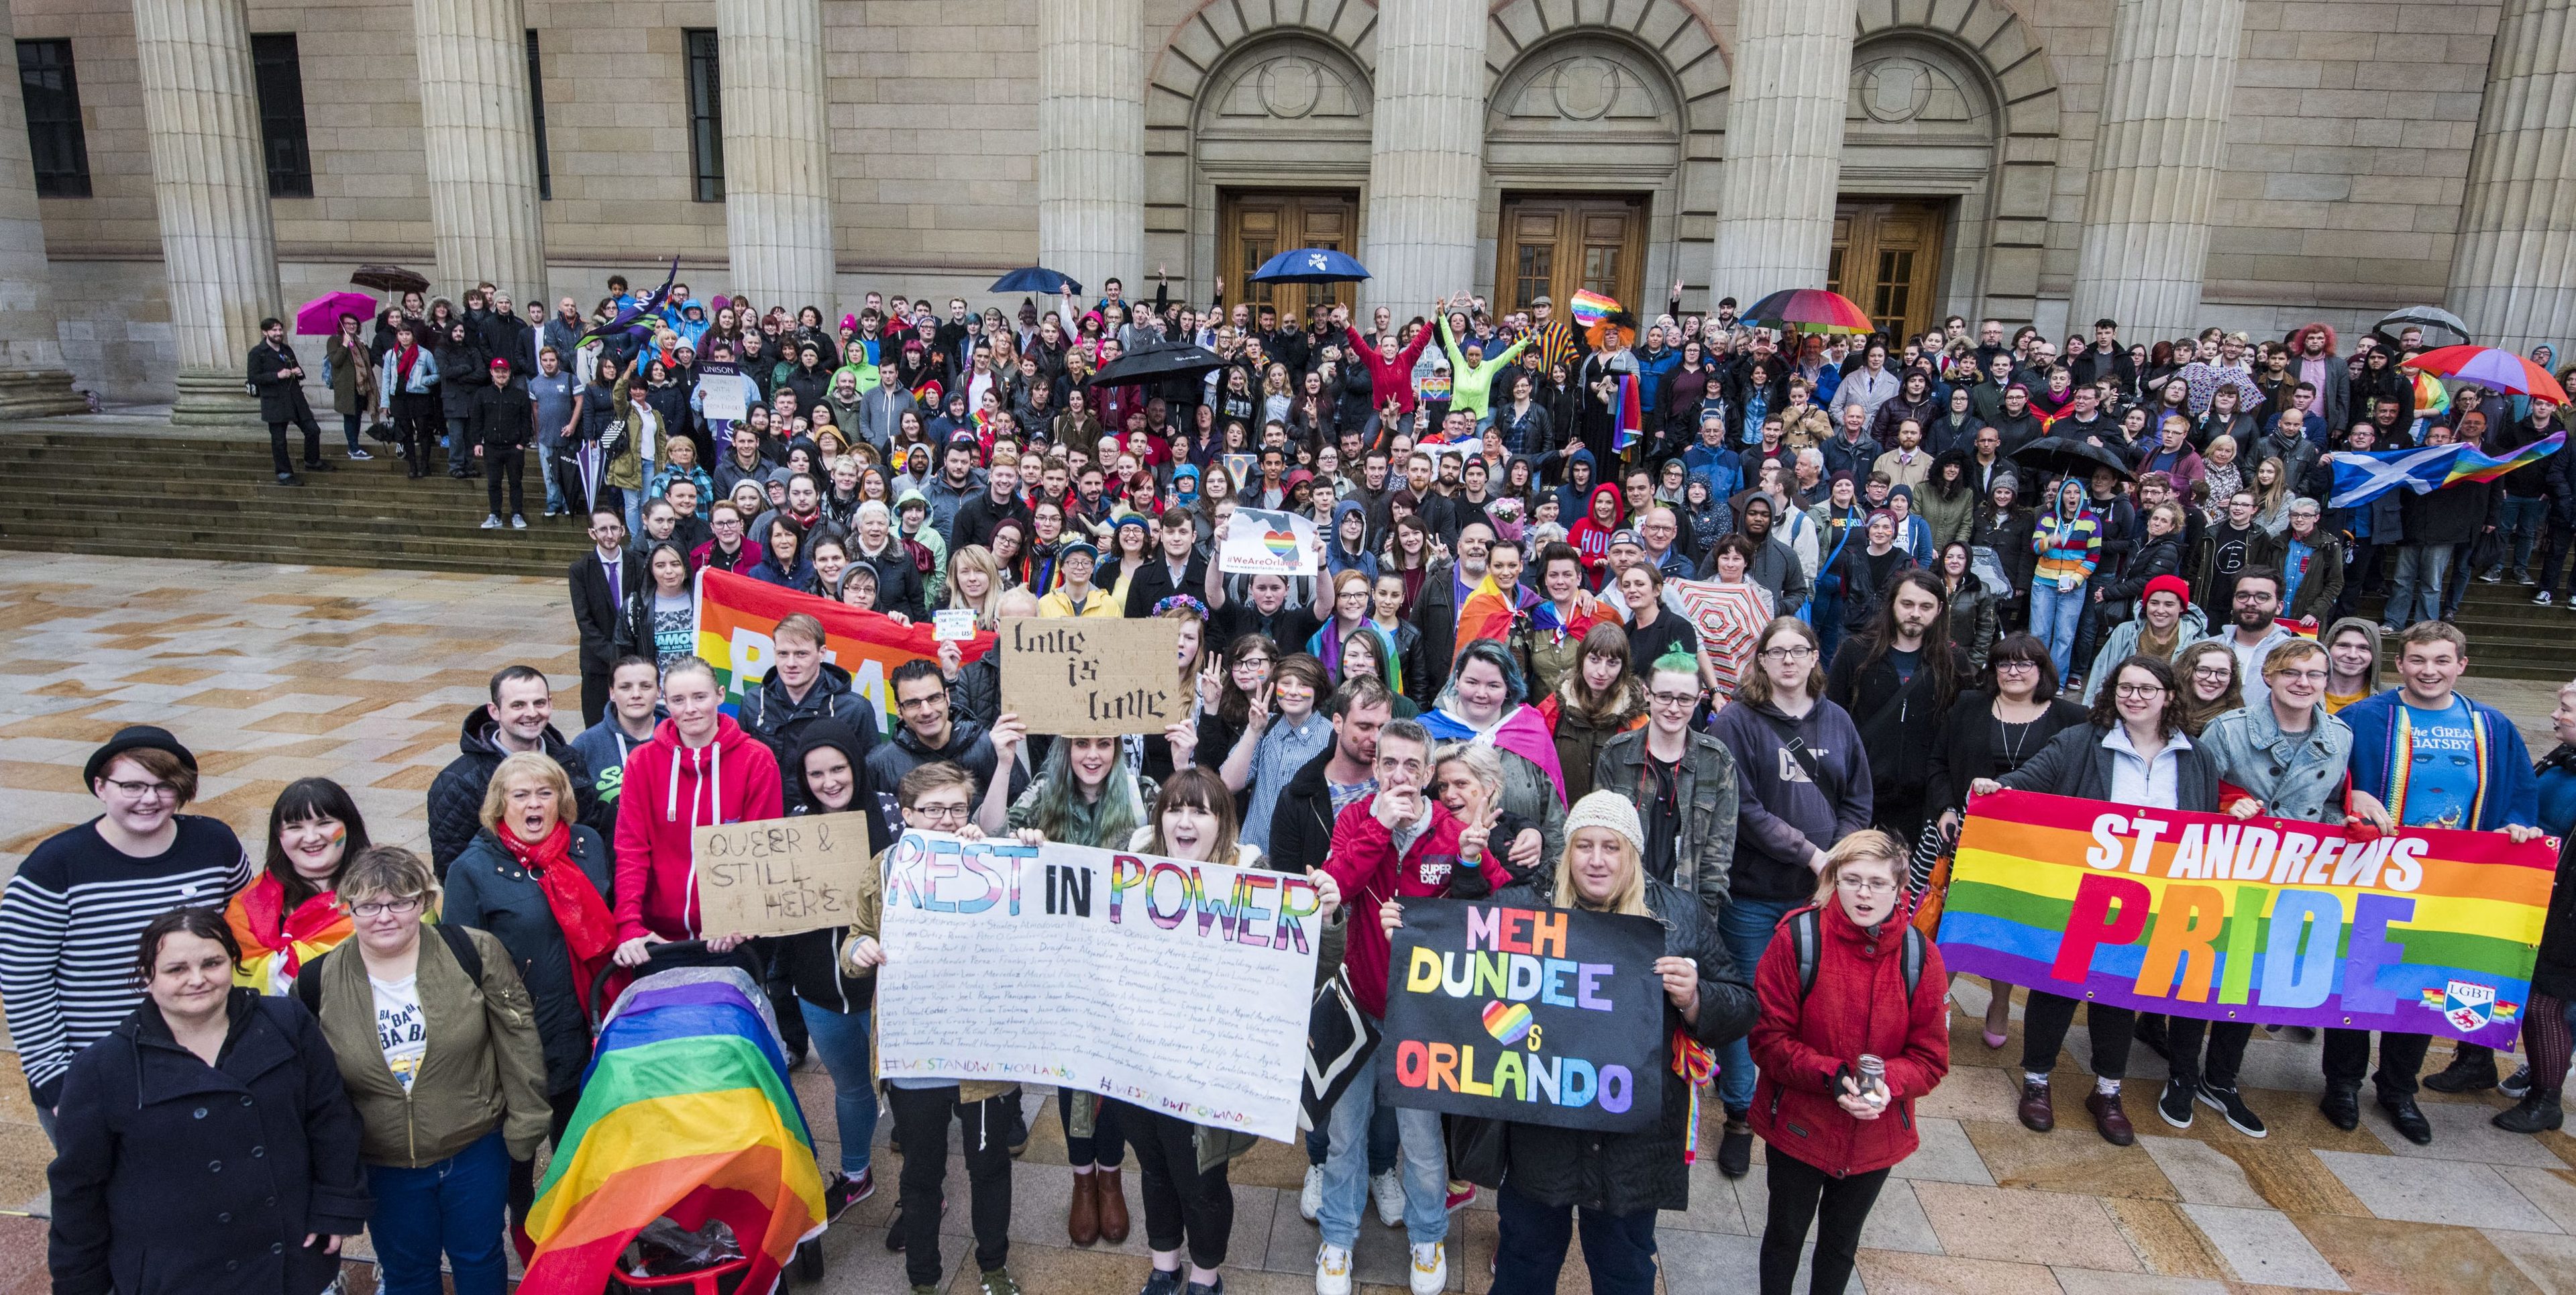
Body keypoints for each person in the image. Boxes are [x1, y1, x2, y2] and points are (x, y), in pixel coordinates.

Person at [1462, 790, 1755, 1295]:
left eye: (1612, 847)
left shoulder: (1679, 915)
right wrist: (1411, 934)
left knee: (1626, 1271)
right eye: (1584, 846)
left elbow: (1742, 1004)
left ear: (1632, 854)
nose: (1596, 860)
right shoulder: (1525, 906)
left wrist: (1695, 998)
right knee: (1525, 1262)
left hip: (1632, 1145)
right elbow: (1460, 958)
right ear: (1567, 850)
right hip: (1542, 1137)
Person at [46, 909, 370, 1295]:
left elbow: (330, 1117)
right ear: (147, 975)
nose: (197, 980)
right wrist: (79, 1285)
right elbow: (78, 1187)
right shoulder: (103, 1067)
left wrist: (336, 1204)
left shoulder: (286, 1022)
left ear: (233, 962)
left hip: (285, 1256)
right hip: (177, 1271)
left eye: (212, 963)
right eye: (176, 969)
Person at [1974, 654, 2222, 1145]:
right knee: (2057, 984)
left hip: (2154, 900)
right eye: (2125, 687)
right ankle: (2037, 1080)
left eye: (2147, 689)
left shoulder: (2195, 756)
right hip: (2084, 891)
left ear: (2169, 696)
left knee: (2119, 993)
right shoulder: (2081, 742)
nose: (2135, 697)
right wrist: (1996, 789)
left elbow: (2206, 821)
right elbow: (2031, 781)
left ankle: (2108, 1090)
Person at [1312, 717, 1513, 1295]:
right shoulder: (1356, 818)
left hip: (1426, 1020)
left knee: (1423, 1144)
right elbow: (1335, 887)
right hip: (1360, 1006)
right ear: (1374, 769)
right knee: (1345, 1136)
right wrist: (1377, 827)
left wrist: (1474, 862)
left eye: (1411, 766)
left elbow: (1502, 914)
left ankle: (1427, 1239)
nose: (1399, 775)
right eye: (1388, 764)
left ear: (1428, 775)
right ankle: (1338, 1239)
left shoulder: (1455, 834)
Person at [301, 845, 549, 1295]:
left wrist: (527, 1122)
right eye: (369, 906)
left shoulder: (473, 952)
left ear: (425, 901)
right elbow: (315, 1087)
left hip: (474, 1145)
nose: (385, 917)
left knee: (479, 1258)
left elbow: (518, 1039)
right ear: (348, 908)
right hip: (383, 1162)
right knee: (407, 1271)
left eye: (402, 902)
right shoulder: (318, 979)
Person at [2331, 621, 2542, 1141]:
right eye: (2418, 660)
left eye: (2442, 661)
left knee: (2422, 988)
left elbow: (2518, 794)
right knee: (2355, 982)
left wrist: (2516, 826)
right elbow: (2327, 777)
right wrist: (2349, 796)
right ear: (2400, 664)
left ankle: (2399, 1091)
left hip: (2453, 887)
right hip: (2373, 876)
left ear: (2461, 666)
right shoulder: (2365, 718)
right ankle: (2341, 1084)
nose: (2430, 671)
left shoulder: (2492, 727)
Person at [0, 726, 252, 1139]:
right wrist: (58, 1086)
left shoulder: (215, 844)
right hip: (100, 1077)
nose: (150, 799)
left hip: (205, 1066)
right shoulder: (54, 867)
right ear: (101, 787)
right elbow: (23, 982)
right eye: (132, 785)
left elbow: (248, 930)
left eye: (164, 786)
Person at [841, 762, 1024, 1294]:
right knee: (921, 1175)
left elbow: (1029, 926)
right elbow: (852, 943)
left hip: (980, 1053)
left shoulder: (992, 860)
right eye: (933, 810)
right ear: (906, 815)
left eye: (957, 809)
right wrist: (859, 949)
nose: (946, 821)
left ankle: (993, 1265)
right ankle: (924, 1279)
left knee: (989, 1167)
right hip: (915, 1050)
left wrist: (1008, 850)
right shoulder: (882, 869)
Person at [1705, 617, 1873, 1177]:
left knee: (1807, 1006)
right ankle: (1738, 1115)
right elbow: (1745, 809)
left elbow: (1857, 797)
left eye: (1799, 651)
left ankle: (1795, 1098)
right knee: (1748, 1004)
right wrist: (1810, 853)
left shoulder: (1839, 721)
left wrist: (1841, 857)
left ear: (1814, 657)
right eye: (1777, 652)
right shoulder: (1737, 721)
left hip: (1821, 896)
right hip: (1754, 892)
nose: (1788, 662)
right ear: (1761, 660)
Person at [1750, 831, 1951, 1295]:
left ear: (1900, 889)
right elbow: (1767, 1040)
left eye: (1878, 883)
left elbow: (1931, 1058)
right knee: (1784, 1237)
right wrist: (1835, 1077)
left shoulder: (1922, 957)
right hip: (1800, 1128)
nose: (1864, 893)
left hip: (1874, 1135)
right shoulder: (1796, 940)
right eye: (1853, 879)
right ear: (1833, 881)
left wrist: (1887, 1085)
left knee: (1841, 1245)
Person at [2173, 638, 2354, 1137]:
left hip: (2293, 878)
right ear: (2270, 676)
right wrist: (2224, 804)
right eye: (2292, 672)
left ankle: (2222, 1079)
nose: (2303, 683)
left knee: (2251, 981)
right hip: (2227, 869)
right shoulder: (2227, 729)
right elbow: (2190, 791)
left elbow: (2333, 802)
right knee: (2201, 973)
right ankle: (2182, 1073)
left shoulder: (2339, 736)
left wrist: (2354, 818)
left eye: (2315, 675)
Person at [438, 752, 617, 1247]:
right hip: (517, 1033)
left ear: (562, 799)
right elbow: (460, 964)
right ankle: (523, 1219)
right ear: (500, 805)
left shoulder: (587, 845)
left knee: (577, 1130)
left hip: (586, 1018)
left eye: (545, 793)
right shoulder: (471, 869)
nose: (534, 804)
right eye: (521, 795)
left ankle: (577, 1225)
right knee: (517, 1140)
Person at [1927, 633, 2090, 1049]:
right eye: (2004, 664)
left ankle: (2000, 1003)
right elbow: (1939, 761)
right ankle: (1937, 1003)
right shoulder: (1968, 706)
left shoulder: (2072, 718)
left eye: (2024, 664)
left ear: (2042, 670)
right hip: (1969, 836)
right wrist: (1946, 807)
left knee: (2008, 928)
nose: (2013, 672)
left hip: (2035, 849)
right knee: (1955, 921)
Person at [776, 720, 890, 1215]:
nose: (830, 782)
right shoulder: (789, 827)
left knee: (910, 1099)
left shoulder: (891, 814)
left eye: (838, 769)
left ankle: (923, 1190)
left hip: (888, 990)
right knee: (850, 1088)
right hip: (820, 991)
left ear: (855, 766)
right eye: (816, 773)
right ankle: (856, 1172)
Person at [611, 656, 786, 963]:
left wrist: (740, 919)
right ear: (665, 701)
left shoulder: (756, 759)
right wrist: (629, 925)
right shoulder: (642, 762)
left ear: (720, 695)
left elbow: (763, 851)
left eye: (700, 697)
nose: (690, 709)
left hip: (731, 938)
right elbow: (631, 850)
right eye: (678, 700)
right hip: (659, 939)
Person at [1594, 646, 1741, 921]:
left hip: (1687, 909)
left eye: (1684, 699)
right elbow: (1601, 838)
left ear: (1699, 700)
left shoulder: (1717, 760)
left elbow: (1717, 855)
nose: (1673, 708)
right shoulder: (1617, 754)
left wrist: (1703, 919)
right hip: (1623, 907)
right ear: (1647, 693)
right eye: (1664, 697)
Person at [1827, 568, 1968, 843]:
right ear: (1892, 604)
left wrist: (1946, 800)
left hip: (1923, 796)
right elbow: (1832, 716)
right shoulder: (1856, 652)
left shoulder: (1954, 661)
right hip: (1861, 792)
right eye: (1907, 604)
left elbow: (1959, 733)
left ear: (1939, 610)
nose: (1915, 613)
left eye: (1925, 606)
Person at [426, 665, 600, 870]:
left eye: (539, 703)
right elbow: (453, 869)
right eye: (518, 705)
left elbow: (589, 834)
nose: (532, 713)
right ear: (494, 710)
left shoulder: (570, 761)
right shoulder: (459, 782)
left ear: (550, 704)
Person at [2498, 680, 2576, 1133]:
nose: (2555, 716)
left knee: (2546, 1004)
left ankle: (2546, 1098)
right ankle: (2474, 1061)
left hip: (2565, 914)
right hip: (2534, 896)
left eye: (2565, 709)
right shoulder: (2561, 760)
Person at [224, 777, 370, 995]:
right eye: (295, 827)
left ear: (349, 826)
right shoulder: (250, 903)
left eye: (324, 823)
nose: (311, 837)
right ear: (279, 836)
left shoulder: (387, 889)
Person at [737, 613, 884, 809]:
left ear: (822, 653)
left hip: (832, 821)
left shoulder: (854, 709)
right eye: (783, 654)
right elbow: (743, 768)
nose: (790, 664)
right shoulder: (753, 702)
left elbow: (869, 778)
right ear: (774, 652)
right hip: (770, 819)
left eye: (801, 654)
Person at [1534, 621, 1647, 802]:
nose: (1601, 671)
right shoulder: (1554, 707)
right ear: (1581, 659)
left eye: (1612, 663)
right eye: (1594, 659)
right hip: (1560, 819)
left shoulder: (1635, 718)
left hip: (1611, 822)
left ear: (1623, 667)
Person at [568, 507, 645, 728]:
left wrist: (631, 652)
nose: (609, 535)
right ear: (592, 533)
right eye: (603, 529)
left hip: (635, 657)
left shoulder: (638, 564)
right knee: (597, 724)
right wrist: (614, 655)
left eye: (614, 528)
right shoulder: (580, 570)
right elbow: (585, 621)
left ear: (622, 530)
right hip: (597, 663)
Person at [2029, 476, 2100, 682]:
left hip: (2073, 587)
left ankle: (2056, 681)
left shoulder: (2092, 522)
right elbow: (2034, 548)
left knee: (2064, 637)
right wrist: (2048, 541)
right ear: (2061, 496)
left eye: (2076, 493)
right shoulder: (2047, 520)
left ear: (2082, 497)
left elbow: (2094, 557)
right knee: (2039, 634)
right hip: (2044, 583)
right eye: (2068, 493)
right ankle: (2035, 679)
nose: (2072, 496)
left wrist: (2076, 579)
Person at [2194, 568, 2296, 710]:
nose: (2250, 602)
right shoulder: (2204, 649)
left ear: (2279, 607)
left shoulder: (2295, 654)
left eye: (2262, 597)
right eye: (2243, 596)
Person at [250, 315, 330, 486]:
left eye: (280, 330)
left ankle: (312, 460)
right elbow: (253, 377)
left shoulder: (286, 350)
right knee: (279, 440)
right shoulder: (258, 353)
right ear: (265, 332)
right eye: (274, 330)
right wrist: (276, 376)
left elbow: (298, 367)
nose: (278, 333)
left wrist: (299, 372)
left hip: (295, 398)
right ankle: (284, 473)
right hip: (275, 402)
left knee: (313, 430)